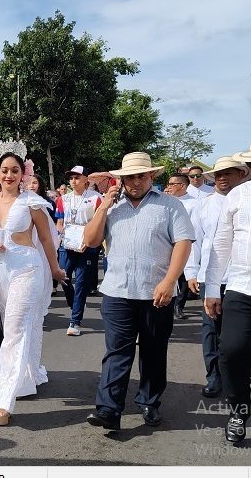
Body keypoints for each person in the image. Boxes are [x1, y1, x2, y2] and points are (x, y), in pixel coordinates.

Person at [83, 152, 193, 431]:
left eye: (140, 176)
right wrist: (103, 206)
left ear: (151, 176)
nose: (135, 181)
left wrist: (170, 281)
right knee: (116, 352)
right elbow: (91, 240)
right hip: (117, 291)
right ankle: (109, 409)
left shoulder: (170, 205)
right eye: (129, 177)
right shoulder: (112, 207)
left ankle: (149, 402)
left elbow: (183, 243)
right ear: (121, 179)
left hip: (156, 292)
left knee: (153, 351)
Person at [0, 147, 66, 425]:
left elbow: (46, 239)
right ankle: (22, 378)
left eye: (15, 170)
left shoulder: (31, 203)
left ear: (23, 174)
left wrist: (55, 268)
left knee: (14, 330)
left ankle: (3, 402)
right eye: (4, 170)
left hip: (26, 269)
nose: (9, 175)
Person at [204, 133, 251, 458]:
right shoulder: (238, 195)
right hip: (243, 286)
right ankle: (238, 411)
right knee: (232, 351)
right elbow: (222, 243)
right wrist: (211, 288)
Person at [184, 156, 249, 399]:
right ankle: (214, 376)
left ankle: (241, 370)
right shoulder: (204, 205)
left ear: (241, 175)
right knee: (211, 329)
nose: (222, 178)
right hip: (210, 277)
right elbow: (195, 242)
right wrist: (191, 272)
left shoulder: (250, 202)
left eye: (228, 173)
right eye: (218, 174)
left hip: (242, 279)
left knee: (240, 332)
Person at [54, 165, 102, 336]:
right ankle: (75, 302)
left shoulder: (96, 198)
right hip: (67, 244)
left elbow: (99, 222)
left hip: (86, 245)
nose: (73, 181)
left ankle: (75, 321)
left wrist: (89, 240)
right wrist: (61, 235)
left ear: (85, 180)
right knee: (63, 277)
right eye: (71, 178)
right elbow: (59, 222)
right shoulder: (63, 199)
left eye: (77, 178)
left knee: (81, 283)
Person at [166, 173, 199, 319]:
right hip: (167, 244)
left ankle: (179, 306)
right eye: (169, 184)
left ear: (183, 186)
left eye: (172, 184)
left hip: (185, 243)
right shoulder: (165, 201)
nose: (169, 187)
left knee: (183, 277)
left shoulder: (194, 203)